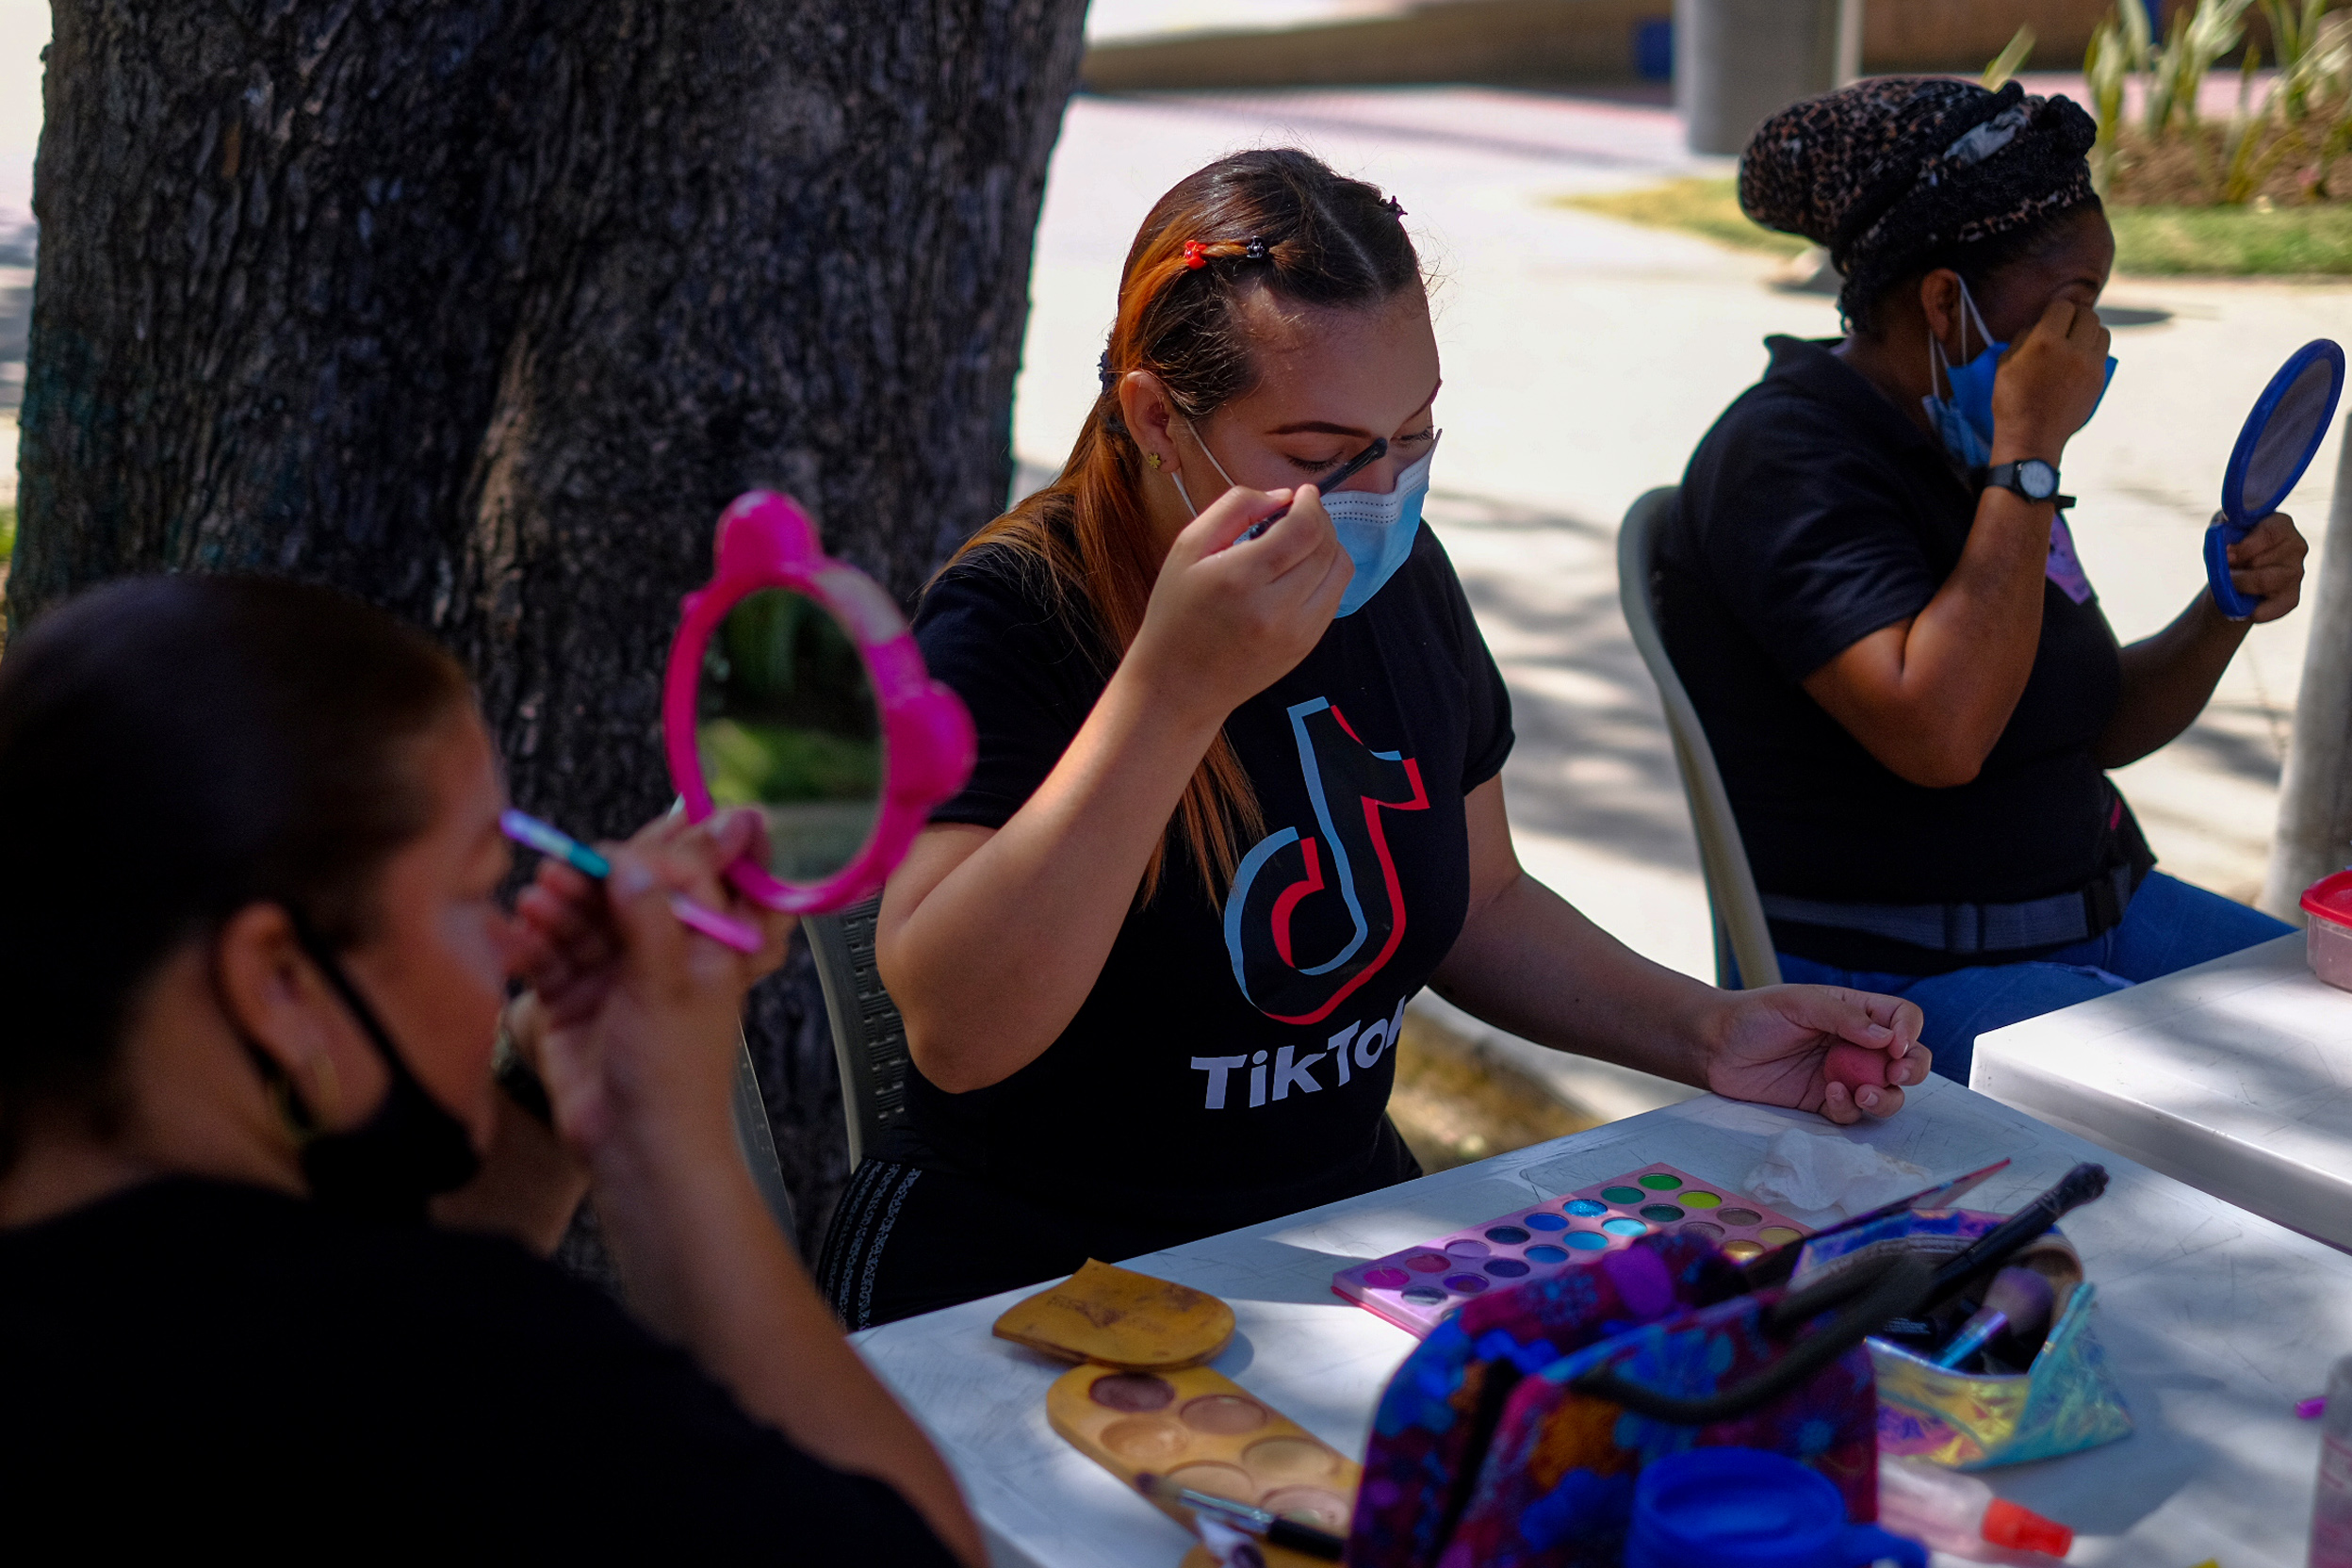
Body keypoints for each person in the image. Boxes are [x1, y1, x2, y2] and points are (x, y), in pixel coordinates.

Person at [815, 147, 1932, 1331]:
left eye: (1414, 437)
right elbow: (958, 1033)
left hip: (1334, 1243)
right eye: (1319, 457)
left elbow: (1483, 899)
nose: (1381, 492)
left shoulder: (1385, 577)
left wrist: (1706, 1029)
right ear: (1157, 418)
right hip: (1033, 1276)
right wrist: (1172, 694)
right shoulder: (1016, 614)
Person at [0, 576, 978, 1560]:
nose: (513, 945)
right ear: (279, 982)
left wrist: (552, 1084)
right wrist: (665, 1140)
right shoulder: (446, 1371)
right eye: (477, 892)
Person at [1660, 78, 2305, 1086]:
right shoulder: (1788, 458)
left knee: (2329, 1028)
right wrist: (2030, 459)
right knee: (2242, 1107)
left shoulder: (1975, 455)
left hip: (2106, 911)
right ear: (1941, 301)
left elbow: (2092, 728)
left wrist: (2222, 611)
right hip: (1904, 978)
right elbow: (1940, 733)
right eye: (2070, 307)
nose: (2089, 347)